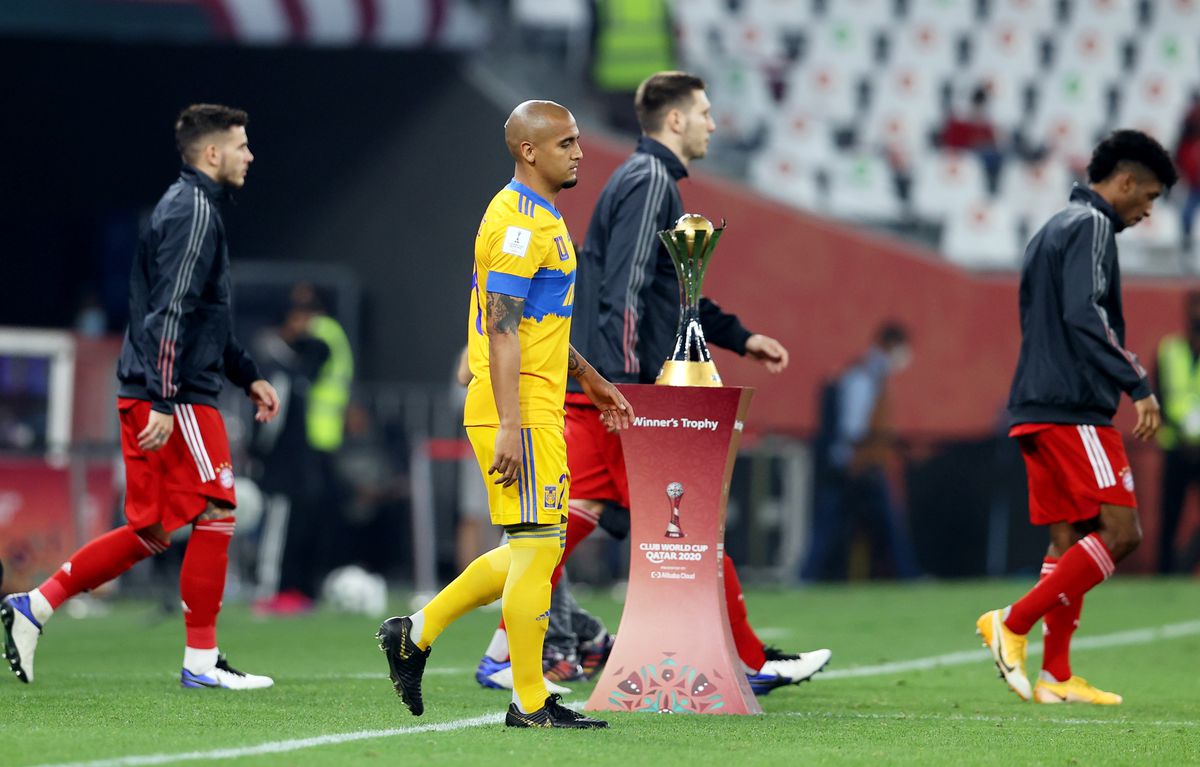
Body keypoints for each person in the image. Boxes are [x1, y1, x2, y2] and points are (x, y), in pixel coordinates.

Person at [474, 71, 830, 697]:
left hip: (606, 382)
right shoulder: (648, 182)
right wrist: (632, 388)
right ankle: (746, 659)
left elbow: (672, 289)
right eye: (705, 112)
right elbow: (628, 289)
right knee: (684, 523)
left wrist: (738, 336)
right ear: (675, 121)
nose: (713, 125)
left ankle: (505, 650)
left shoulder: (648, 182)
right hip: (621, 388)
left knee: (574, 519)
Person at [0, 104, 280, 689]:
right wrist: (164, 397)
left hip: (155, 386)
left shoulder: (183, 207)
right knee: (219, 508)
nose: (250, 155)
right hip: (175, 395)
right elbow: (170, 311)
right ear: (212, 154)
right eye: (242, 145)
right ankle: (201, 662)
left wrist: (245, 371)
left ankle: (36, 606)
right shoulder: (195, 212)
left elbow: (200, 313)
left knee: (149, 530)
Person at [376, 100, 633, 729]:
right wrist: (513, 425)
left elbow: (539, 322)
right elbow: (501, 327)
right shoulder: (517, 222)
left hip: (537, 399)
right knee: (540, 548)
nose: (578, 151)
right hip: (515, 406)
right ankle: (529, 700)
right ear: (529, 151)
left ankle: (417, 633)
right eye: (567, 142)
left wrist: (591, 379)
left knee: (529, 548)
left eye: (578, 140)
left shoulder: (540, 218)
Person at [977, 130, 1177, 705]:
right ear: (1126, 181)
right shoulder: (1091, 226)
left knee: (1068, 540)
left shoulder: (1052, 227)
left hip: (1036, 405)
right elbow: (1084, 313)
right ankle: (1012, 622)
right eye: (1151, 196)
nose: (1148, 210)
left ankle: (1056, 674)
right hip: (1074, 409)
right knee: (1121, 533)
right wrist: (1136, 383)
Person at [803, 322, 921, 582]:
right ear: (889, 344)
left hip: (860, 464)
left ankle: (805, 577)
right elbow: (854, 428)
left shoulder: (871, 375)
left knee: (843, 525)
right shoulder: (863, 376)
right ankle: (910, 577)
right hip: (855, 465)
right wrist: (864, 455)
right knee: (840, 525)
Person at [1154, 290, 1200, 574]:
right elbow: (1158, 394)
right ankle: (1164, 574)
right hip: (1175, 447)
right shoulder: (1170, 349)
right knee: (1169, 517)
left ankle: (1184, 565)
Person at [1175, 91, 1200, 255]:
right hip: (1194, 183)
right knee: (1186, 214)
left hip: (1194, 182)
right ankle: (1186, 245)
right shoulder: (1190, 124)